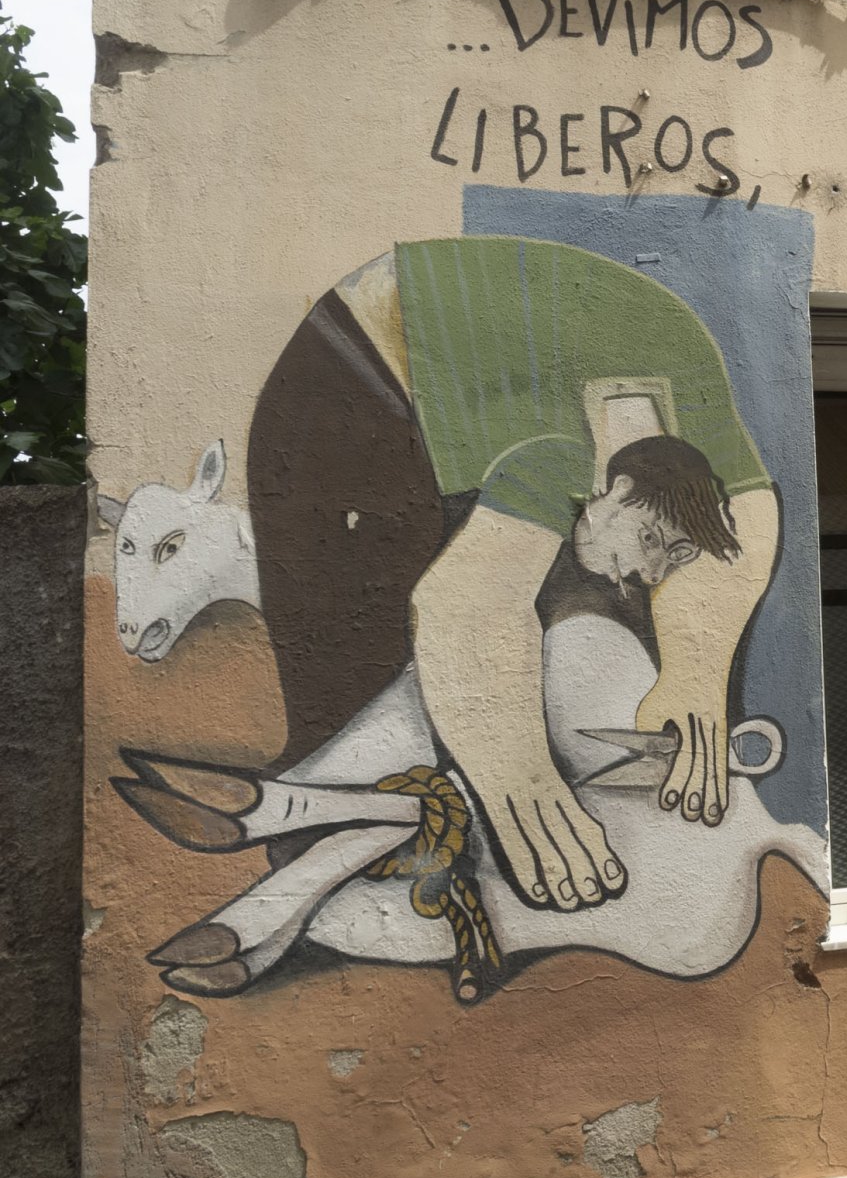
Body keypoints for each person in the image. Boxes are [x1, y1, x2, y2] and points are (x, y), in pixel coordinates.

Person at [245, 236, 779, 912]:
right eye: (651, 540)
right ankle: (314, 844)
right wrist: (519, 784)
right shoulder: (557, 459)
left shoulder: (689, 427)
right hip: (354, 371)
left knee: (609, 618)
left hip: (491, 394)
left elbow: (747, 516)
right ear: (613, 490)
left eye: (673, 555)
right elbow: (464, 606)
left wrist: (696, 675)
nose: (653, 571)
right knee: (361, 663)